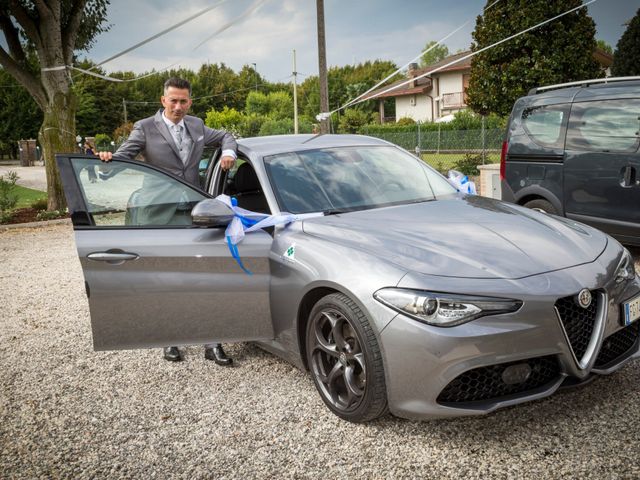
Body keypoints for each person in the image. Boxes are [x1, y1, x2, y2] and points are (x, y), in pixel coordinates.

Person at [98, 77, 236, 366]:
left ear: (190, 102)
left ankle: (212, 341)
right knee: (166, 276)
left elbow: (226, 136)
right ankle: (170, 338)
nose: (178, 106)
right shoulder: (145, 128)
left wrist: (228, 151)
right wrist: (105, 162)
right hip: (159, 213)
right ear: (163, 101)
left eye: (183, 101)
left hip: (195, 213)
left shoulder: (197, 126)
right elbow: (122, 157)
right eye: (173, 100)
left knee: (205, 274)